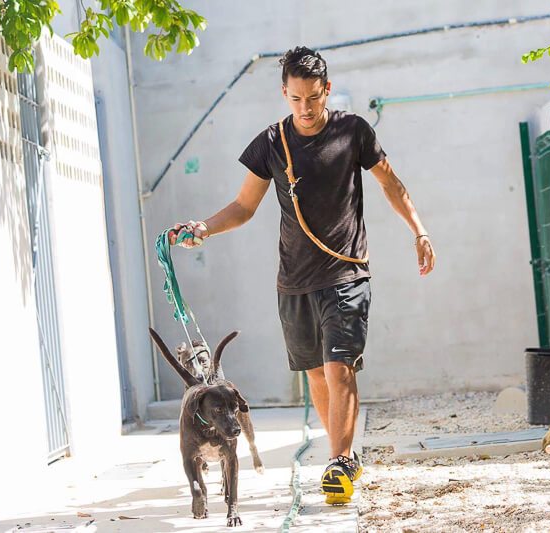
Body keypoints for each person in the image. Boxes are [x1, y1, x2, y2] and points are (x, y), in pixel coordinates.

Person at [167, 46, 435, 505]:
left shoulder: (353, 131)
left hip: (347, 273)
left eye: (312, 97)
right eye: (295, 99)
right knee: (315, 374)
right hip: (293, 281)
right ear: (284, 94)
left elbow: (390, 182)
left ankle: (340, 462)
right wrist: (203, 228)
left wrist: (420, 230)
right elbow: (244, 207)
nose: (305, 108)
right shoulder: (271, 144)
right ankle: (343, 458)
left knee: (340, 366)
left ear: (326, 90)